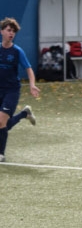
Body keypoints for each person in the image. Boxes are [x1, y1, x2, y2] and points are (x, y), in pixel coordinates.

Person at [0, 17, 40, 163]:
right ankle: (24, 113)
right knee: (3, 124)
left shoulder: (17, 51)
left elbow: (28, 69)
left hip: (11, 91)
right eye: (9, 30)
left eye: (13, 31)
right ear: (2, 31)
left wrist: (32, 84)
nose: (11, 33)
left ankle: (1, 154)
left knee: (1, 121)